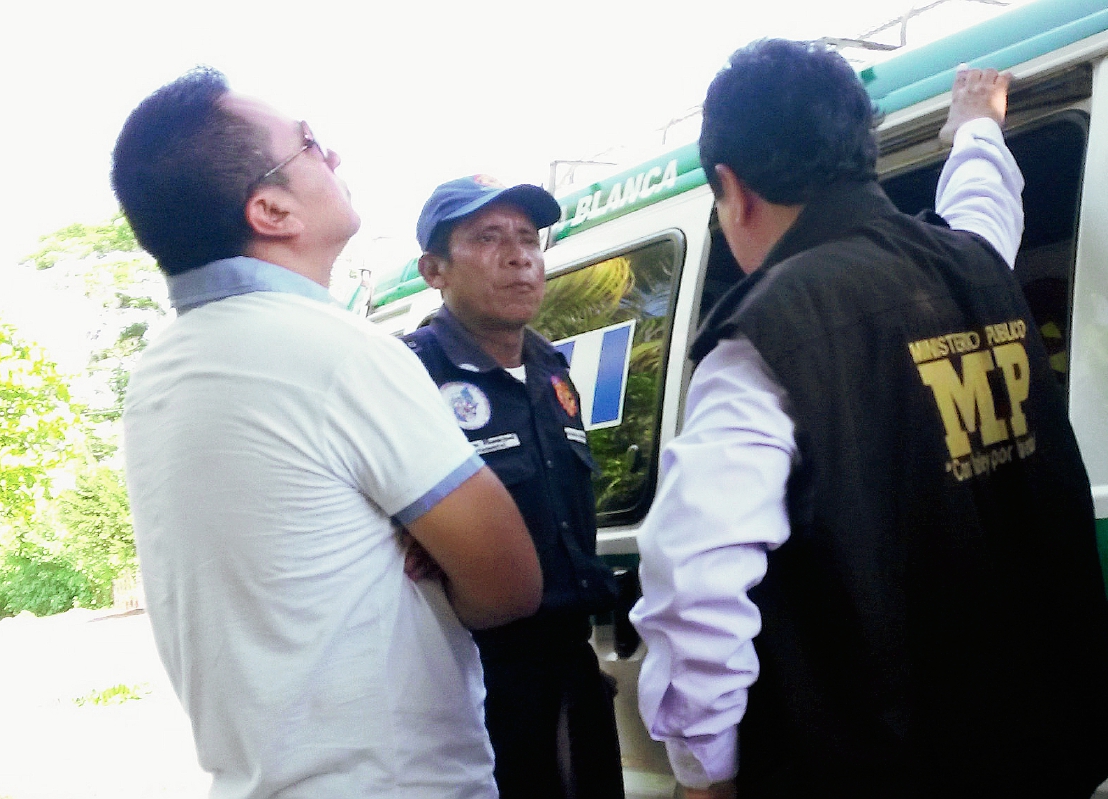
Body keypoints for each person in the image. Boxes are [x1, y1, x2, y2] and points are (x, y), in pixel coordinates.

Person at [629, 40, 1108, 799]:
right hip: (1047, 747)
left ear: (732, 188)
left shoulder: (761, 343)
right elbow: (984, 211)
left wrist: (703, 771)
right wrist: (978, 129)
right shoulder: (975, 266)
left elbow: (692, 585)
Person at [111, 68, 543, 799]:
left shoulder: (158, 374)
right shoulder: (337, 349)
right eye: (310, 144)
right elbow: (510, 583)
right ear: (271, 209)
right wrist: (436, 555)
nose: (334, 157)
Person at [402, 176, 625, 799]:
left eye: (528, 238)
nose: (519, 255)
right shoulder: (409, 372)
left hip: (574, 669)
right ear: (434, 269)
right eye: (488, 237)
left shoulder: (552, 367)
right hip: (480, 682)